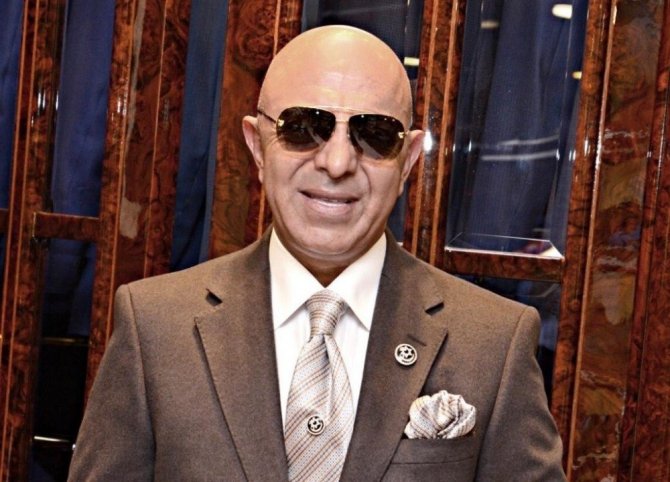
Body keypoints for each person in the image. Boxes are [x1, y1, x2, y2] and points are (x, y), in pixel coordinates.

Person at [68, 25, 566, 481]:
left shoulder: (494, 344)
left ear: (408, 160)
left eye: (375, 135)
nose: (337, 161)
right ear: (257, 146)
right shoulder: (155, 328)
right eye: (303, 127)